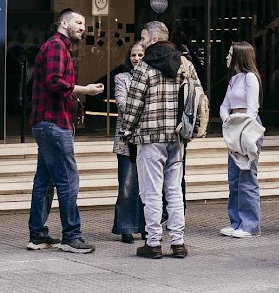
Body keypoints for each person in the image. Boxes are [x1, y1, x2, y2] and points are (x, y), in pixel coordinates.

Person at [27, 9, 103, 254]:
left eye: (84, 24)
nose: (82, 28)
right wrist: (85, 90)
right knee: (68, 180)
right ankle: (71, 236)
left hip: (47, 122)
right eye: (78, 22)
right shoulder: (56, 46)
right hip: (53, 123)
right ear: (63, 23)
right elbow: (54, 81)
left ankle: (37, 235)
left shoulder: (57, 47)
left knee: (44, 180)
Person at [118, 38, 201, 259]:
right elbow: (197, 98)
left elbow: (134, 104)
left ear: (153, 42)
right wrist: (192, 129)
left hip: (150, 137)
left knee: (151, 192)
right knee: (174, 190)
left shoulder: (145, 66)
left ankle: (153, 242)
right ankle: (178, 242)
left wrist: (127, 131)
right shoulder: (185, 64)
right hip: (178, 136)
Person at [221, 42, 264, 238]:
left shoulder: (250, 78)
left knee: (247, 176)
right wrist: (228, 120)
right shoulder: (233, 79)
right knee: (234, 177)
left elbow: (253, 108)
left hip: (247, 128)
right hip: (234, 128)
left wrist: (242, 126)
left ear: (239, 56)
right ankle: (236, 221)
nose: (227, 57)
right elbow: (224, 105)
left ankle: (250, 225)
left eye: (230, 54)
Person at [111, 43, 147, 244]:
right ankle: (125, 227)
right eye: (133, 55)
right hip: (126, 139)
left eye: (140, 55)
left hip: (146, 138)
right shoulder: (121, 78)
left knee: (146, 186)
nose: (136, 58)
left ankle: (144, 226)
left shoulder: (152, 77)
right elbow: (122, 105)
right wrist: (145, 112)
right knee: (126, 185)